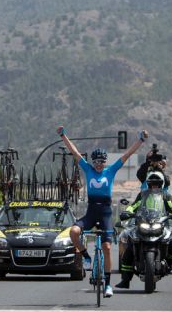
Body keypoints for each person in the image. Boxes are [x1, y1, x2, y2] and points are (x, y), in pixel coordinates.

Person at [57, 125, 148, 298]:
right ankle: (85, 256)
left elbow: (127, 155)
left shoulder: (111, 171)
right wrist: (63, 136)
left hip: (106, 213)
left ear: (105, 162)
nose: (99, 165)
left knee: (106, 247)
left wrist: (141, 140)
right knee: (73, 232)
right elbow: (75, 153)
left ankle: (107, 285)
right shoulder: (88, 170)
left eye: (102, 161)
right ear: (93, 162)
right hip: (91, 212)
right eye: (97, 162)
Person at [115, 171, 172, 289]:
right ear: (148, 184)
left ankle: (170, 264)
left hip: (161, 225)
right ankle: (125, 279)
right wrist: (128, 212)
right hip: (143, 223)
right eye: (152, 184)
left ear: (161, 184)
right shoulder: (142, 195)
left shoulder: (166, 196)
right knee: (129, 246)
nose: (154, 186)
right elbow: (134, 206)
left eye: (157, 184)